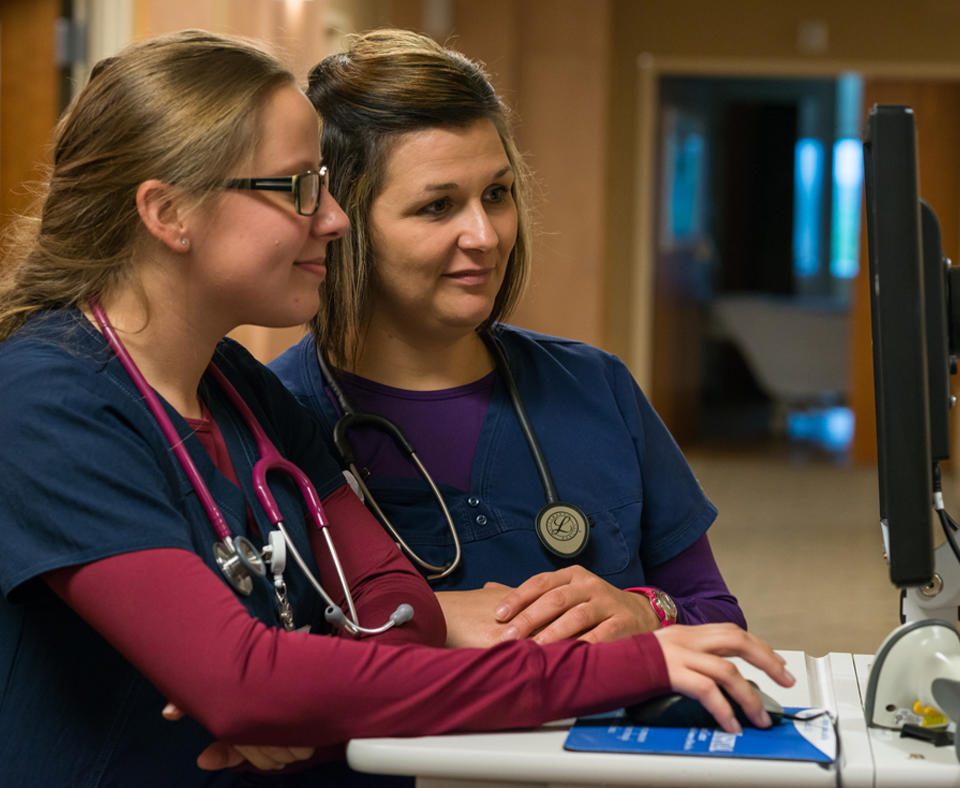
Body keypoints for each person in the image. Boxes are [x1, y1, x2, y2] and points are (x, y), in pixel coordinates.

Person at [0, 29, 792, 787]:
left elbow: (394, 610)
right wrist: (624, 665)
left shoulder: (238, 387)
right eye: (301, 187)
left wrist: (297, 688)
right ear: (168, 213)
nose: (332, 219)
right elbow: (245, 678)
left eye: (498, 194)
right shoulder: (49, 397)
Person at [270, 29, 745, 650]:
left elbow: (718, 617)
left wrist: (645, 610)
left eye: (496, 195)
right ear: (344, 221)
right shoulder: (272, 417)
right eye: (438, 207)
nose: (486, 236)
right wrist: (431, 621)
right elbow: (265, 659)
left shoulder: (595, 387)